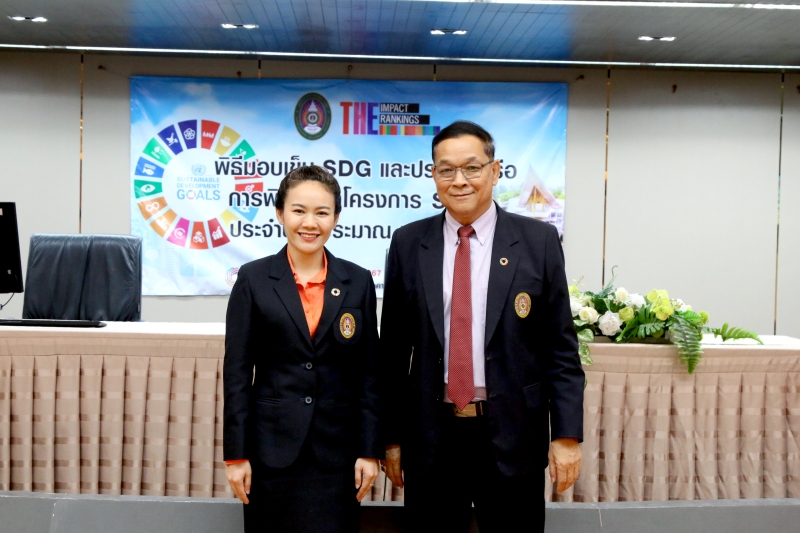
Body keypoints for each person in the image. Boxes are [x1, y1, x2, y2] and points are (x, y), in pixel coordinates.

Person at [380, 121, 584, 533]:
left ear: (495, 170)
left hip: (513, 433)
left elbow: (560, 349)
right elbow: (393, 354)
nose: (459, 181)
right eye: (446, 170)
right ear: (433, 175)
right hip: (432, 436)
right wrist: (391, 437)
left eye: (472, 168)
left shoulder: (538, 241)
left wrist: (566, 435)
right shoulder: (408, 243)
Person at [224, 165, 382, 533]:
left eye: (322, 212)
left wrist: (369, 450)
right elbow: (237, 374)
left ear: (336, 218)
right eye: (298, 210)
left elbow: (369, 373)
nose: (310, 223)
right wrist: (236, 455)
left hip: (338, 455)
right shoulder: (253, 279)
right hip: (270, 451)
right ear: (280, 213)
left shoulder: (357, 281)